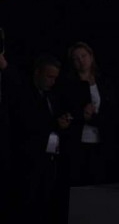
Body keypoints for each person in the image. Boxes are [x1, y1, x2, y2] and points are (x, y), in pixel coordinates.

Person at [5, 53, 74, 224]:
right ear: (37, 73)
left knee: (45, 204)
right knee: (26, 205)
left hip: (50, 161)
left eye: (55, 78)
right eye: (49, 76)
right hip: (27, 161)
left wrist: (63, 122)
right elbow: (26, 123)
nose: (52, 81)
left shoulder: (52, 96)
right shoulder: (23, 95)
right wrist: (54, 123)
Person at [58, 41, 119, 186]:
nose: (81, 61)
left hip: (101, 139)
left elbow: (112, 111)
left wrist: (94, 118)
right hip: (77, 141)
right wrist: (81, 115)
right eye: (76, 58)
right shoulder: (69, 83)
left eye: (83, 56)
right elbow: (64, 109)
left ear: (91, 57)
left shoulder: (103, 82)